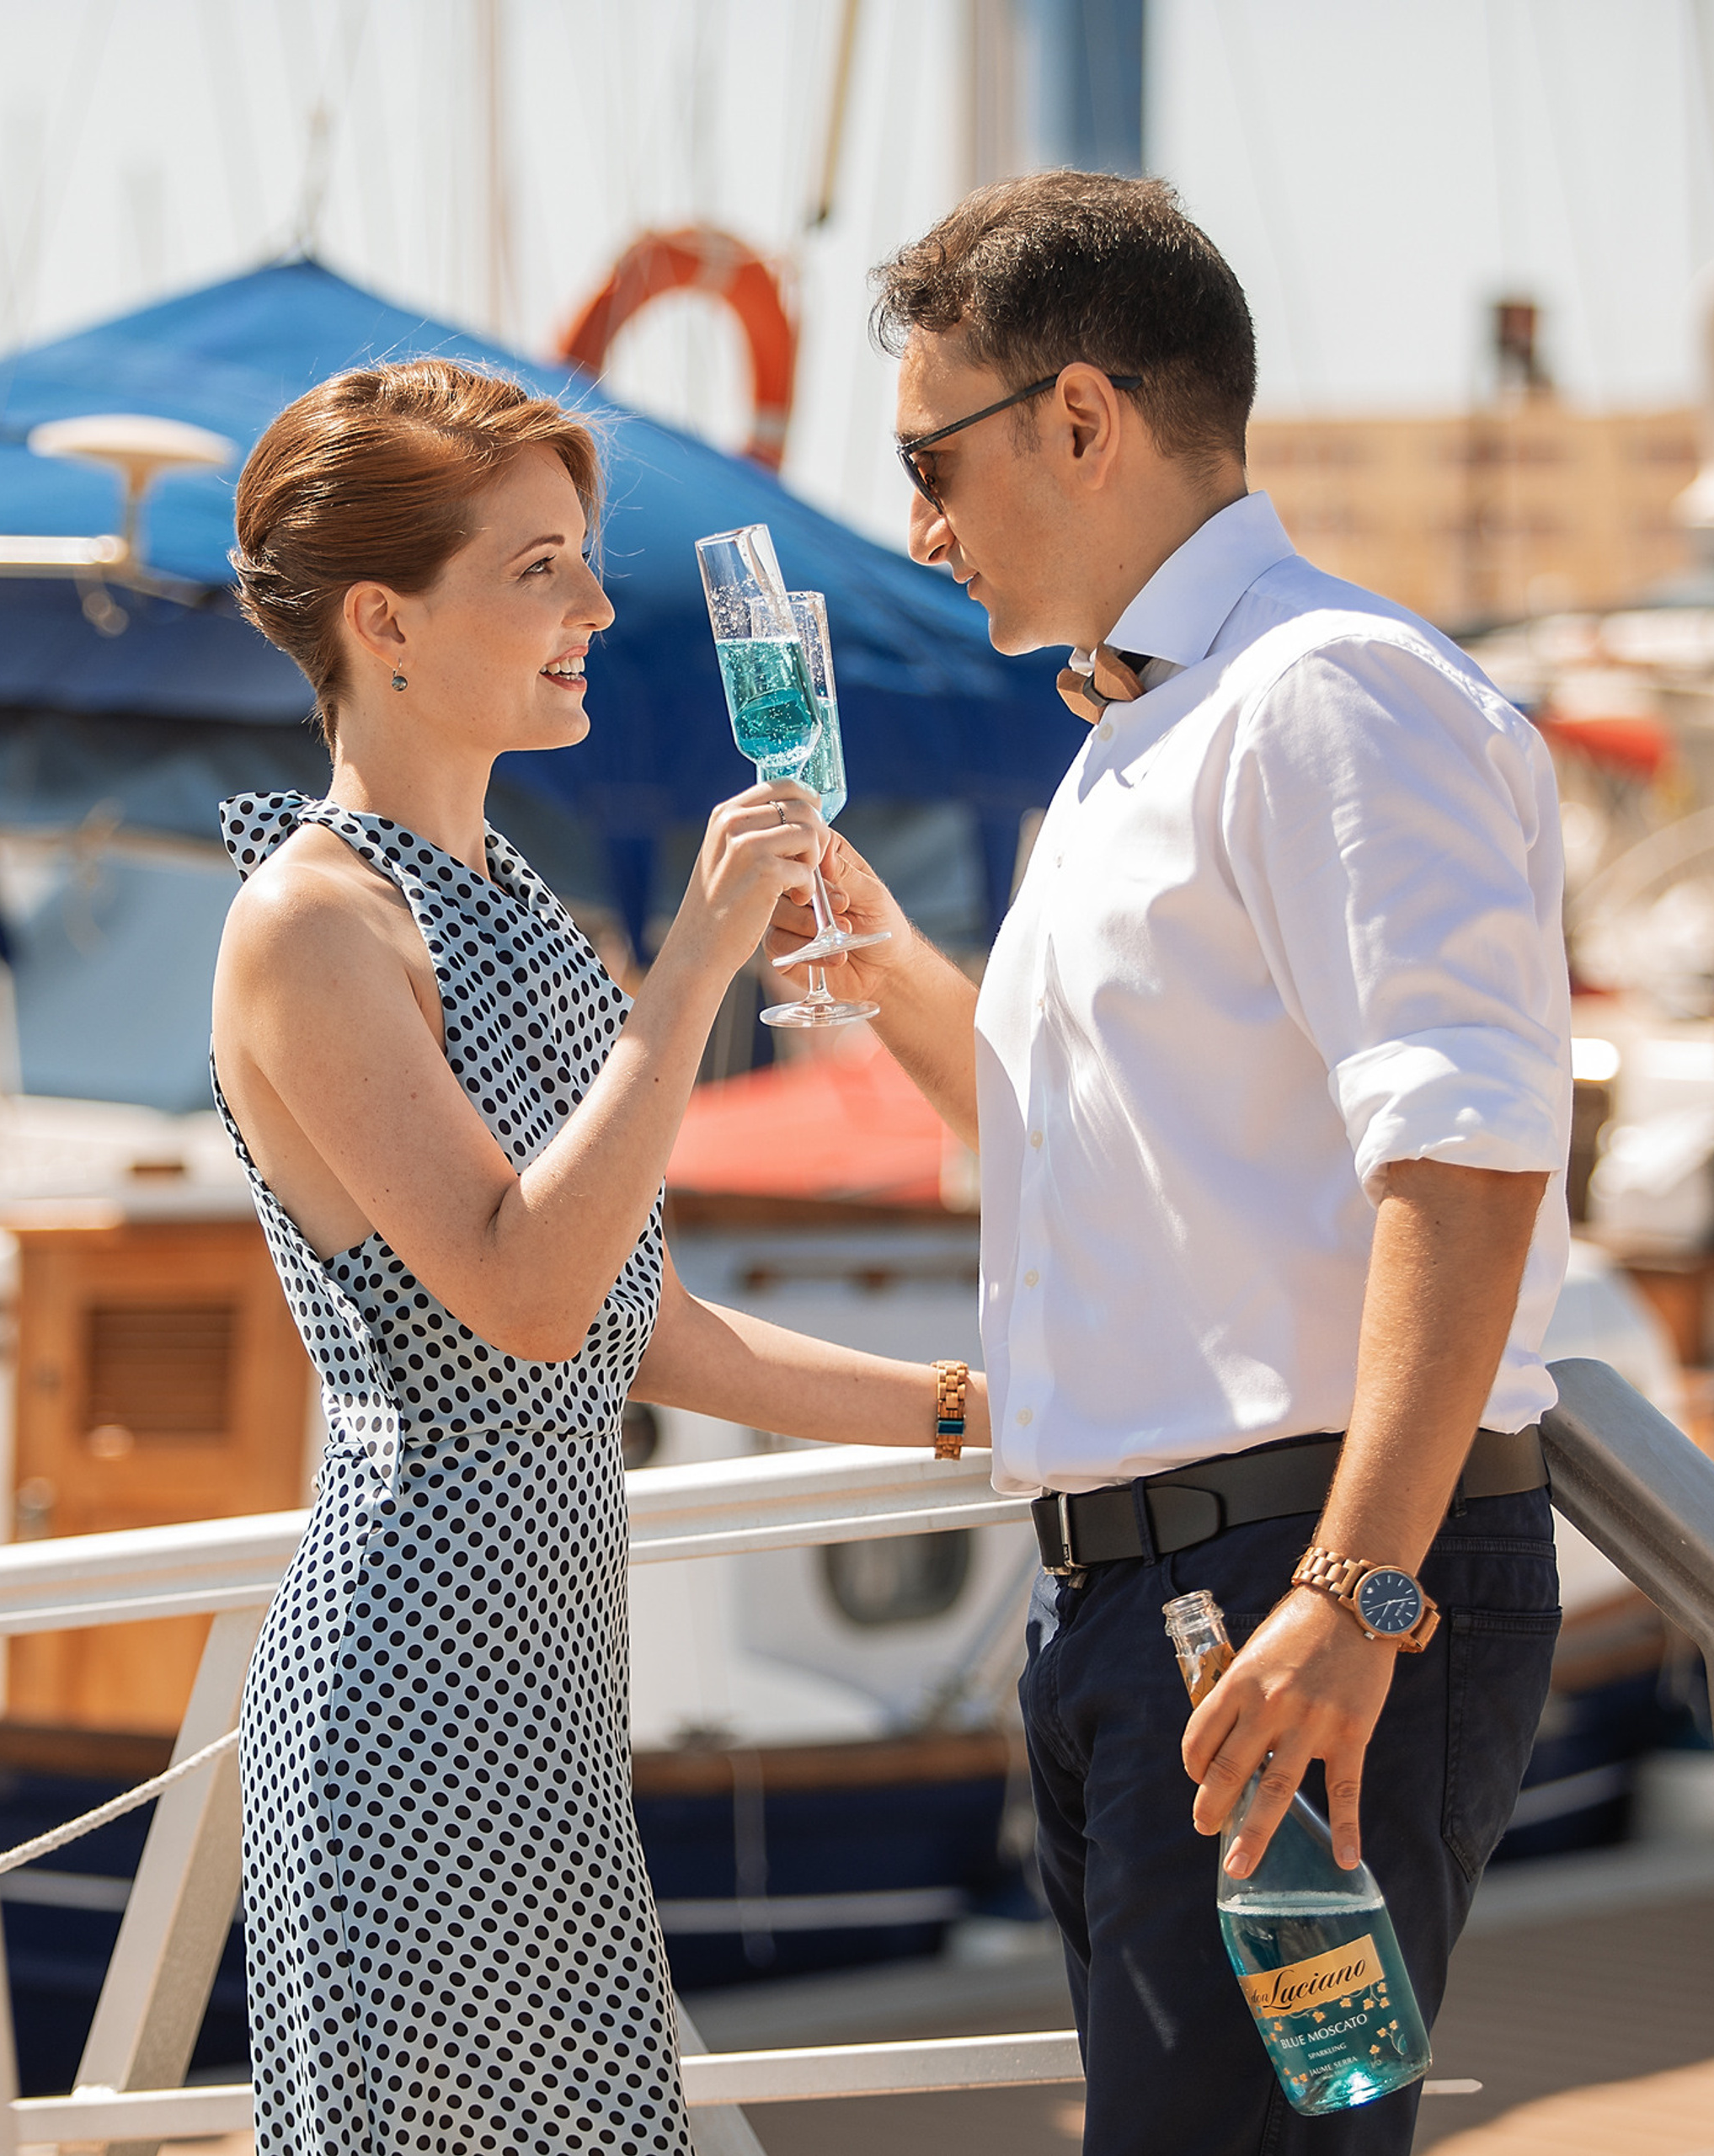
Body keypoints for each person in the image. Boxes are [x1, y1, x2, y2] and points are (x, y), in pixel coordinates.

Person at [774, 173, 1569, 2154]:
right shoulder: (1141, 731)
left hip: (1289, 1579)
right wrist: (886, 975)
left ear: (1077, 417)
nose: (917, 527)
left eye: (927, 460)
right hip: (1156, 1599)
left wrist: (1350, 1591)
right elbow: (1081, 1150)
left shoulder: (1323, 695)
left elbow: (1463, 1159)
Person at [212, 357, 992, 2156]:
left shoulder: (514, 905)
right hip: (415, 1674)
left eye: (580, 561)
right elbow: (523, 1290)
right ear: (384, 621)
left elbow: (632, 1323)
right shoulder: (305, 923)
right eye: (537, 568)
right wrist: (695, 967)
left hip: (542, 1675)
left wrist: (977, 1409)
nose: (591, 607)